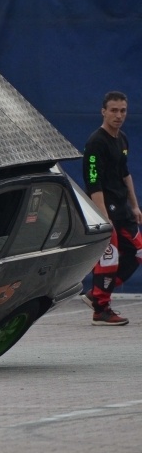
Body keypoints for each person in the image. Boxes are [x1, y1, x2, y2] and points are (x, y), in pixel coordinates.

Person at [81, 91, 142, 326]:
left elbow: (125, 174)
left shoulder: (122, 138)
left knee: (137, 252)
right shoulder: (96, 142)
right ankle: (101, 309)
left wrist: (135, 206)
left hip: (123, 208)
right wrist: (103, 217)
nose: (119, 115)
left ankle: (95, 294)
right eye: (114, 110)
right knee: (110, 257)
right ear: (103, 112)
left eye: (123, 111)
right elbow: (93, 181)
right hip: (105, 209)